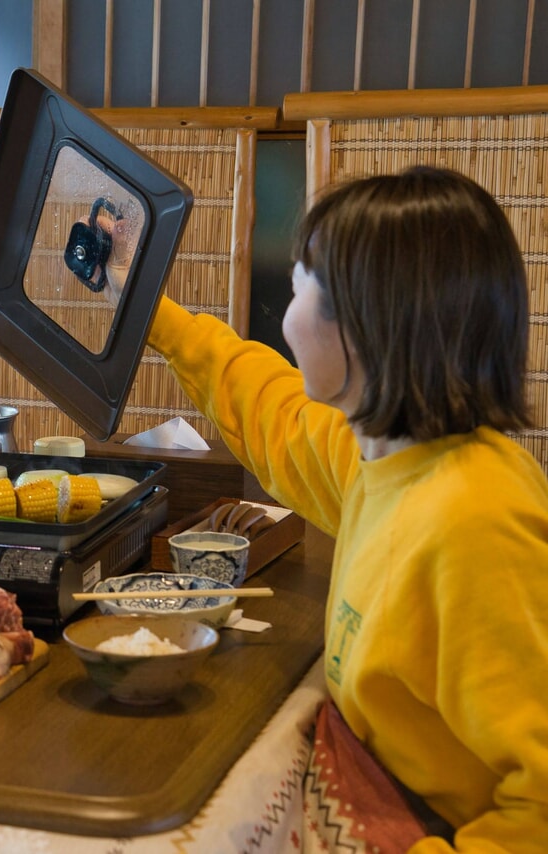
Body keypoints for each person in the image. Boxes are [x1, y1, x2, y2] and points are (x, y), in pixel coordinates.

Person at [136, 166, 548, 849]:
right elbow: (274, 413)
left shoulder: (478, 520)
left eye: (299, 289)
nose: (283, 313)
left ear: (363, 326)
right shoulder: (385, 455)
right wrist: (154, 315)